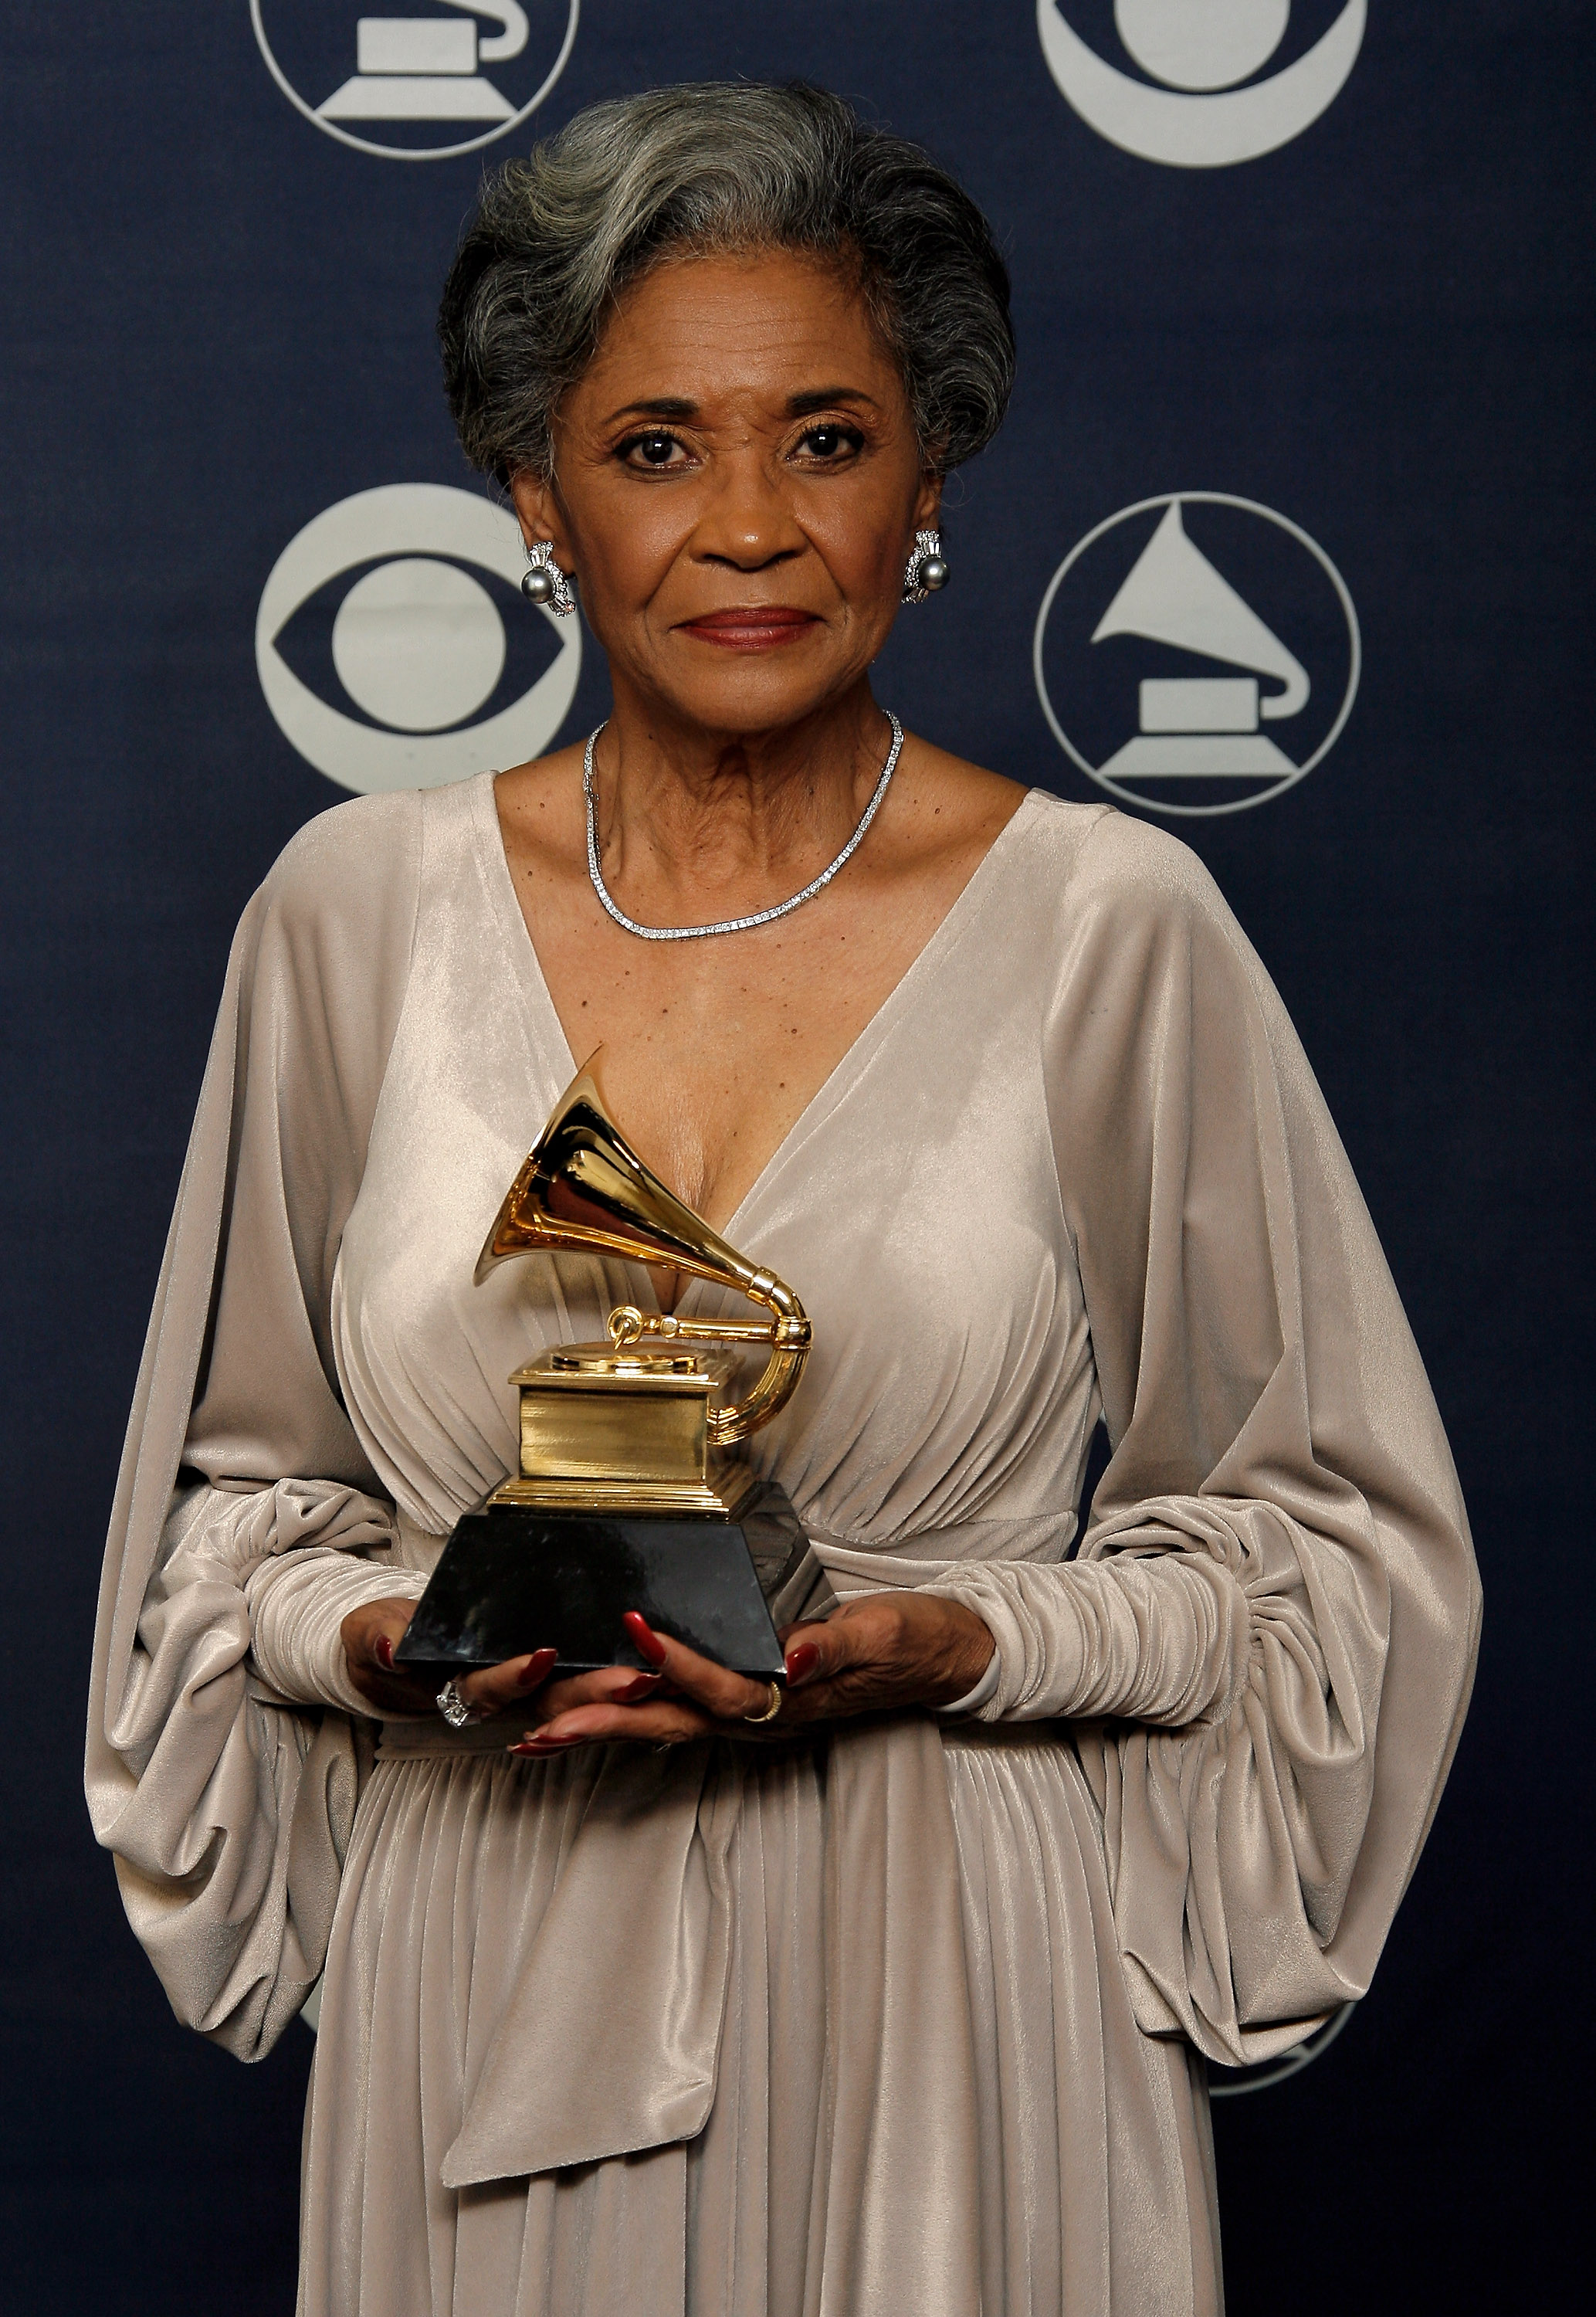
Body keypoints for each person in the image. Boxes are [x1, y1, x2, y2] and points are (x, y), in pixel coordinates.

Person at [86, 81, 1480, 2317]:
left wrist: (970, 1638)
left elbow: (1319, 1569)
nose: (747, 524)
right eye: (655, 449)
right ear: (531, 498)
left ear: (927, 482)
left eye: (823, 439)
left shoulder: (1117, 927)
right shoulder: (350, 915)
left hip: (956, 1984)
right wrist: (396, 1642)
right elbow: (229, 1525)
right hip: (493, 1979)